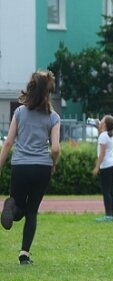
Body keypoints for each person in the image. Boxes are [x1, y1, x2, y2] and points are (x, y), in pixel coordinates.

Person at [0, 70, 61, 265]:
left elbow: (8, 142)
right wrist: (53, 164)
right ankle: (24, 254)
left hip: (20, 166)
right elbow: (56, 148)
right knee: (32, 211)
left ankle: (10, 205)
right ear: (47, 92)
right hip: (42, 167)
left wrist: (0, 165)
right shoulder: (53, 117)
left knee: (18, 208)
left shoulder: (19, 112)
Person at [93, 115, 113, 222]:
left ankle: (108, 215)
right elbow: (103, 134)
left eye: (102, 121)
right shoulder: (109, 134)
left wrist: (97, 167)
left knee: (106, 191)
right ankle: (112, 214)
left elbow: (102, 153)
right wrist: (99, 126)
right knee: (111, 191)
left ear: (105, 125)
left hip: (106, 166)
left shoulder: (103, 136)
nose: (100, 121)